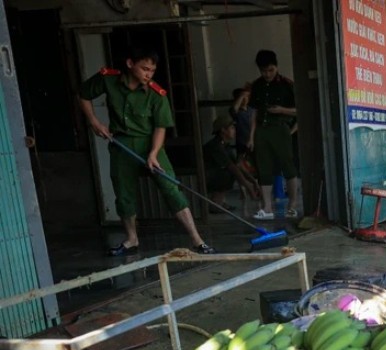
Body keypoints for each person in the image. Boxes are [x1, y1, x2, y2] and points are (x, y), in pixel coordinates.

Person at [79, 46, 216, 256]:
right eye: (144, 69)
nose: (148, 74)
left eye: (152, 70)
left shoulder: (157, 94)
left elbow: (161, 128)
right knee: (124, 194)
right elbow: (82, 94)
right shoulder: (108, 79)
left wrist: (153, 153)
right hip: (121, 144)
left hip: (150, 144)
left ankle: (197, 240)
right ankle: (132, 239)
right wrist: (95, 122)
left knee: (170, 188)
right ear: (130, 64)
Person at [247, 49, 301, 220]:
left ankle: (292, 205)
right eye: (264, 71)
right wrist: (251, 136)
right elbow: (254, 112)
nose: (267, 74)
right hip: (262, 129)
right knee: (264, 169)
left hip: (280, 128)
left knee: (288, 167)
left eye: (271, 70)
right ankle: (267, 208)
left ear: (276, 67)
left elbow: (299, 110)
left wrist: (281, 110)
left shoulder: (286, 84)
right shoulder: (257, 86)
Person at [204, 115, 261, 217]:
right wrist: (249, 188)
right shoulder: (216, 146)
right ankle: (216, 203)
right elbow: (232, 168)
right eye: (232, 128)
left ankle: (220, 202)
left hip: (212, 175)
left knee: (231, 172)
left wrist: (253, 181)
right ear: (223, 130)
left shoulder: (225, 145)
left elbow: (238, 165)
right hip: (205, 177)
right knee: (227, 174)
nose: (234, 131)